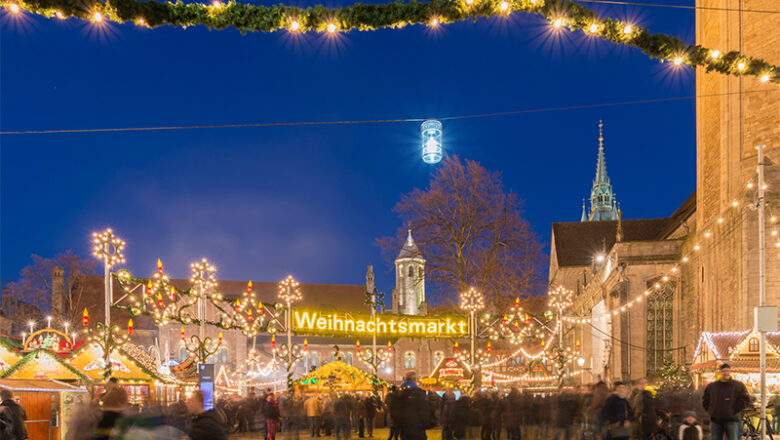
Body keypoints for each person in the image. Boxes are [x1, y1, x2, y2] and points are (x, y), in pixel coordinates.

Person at [702, 363, 752, 440]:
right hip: (716, 420)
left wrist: (735, 410)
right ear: (720, 372)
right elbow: (705, 399)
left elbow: (746, 399)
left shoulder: (738, 385)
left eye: (728, 371)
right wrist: (710, 411)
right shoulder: (712, 386)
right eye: (724, 371)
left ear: (730, 371)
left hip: (732, 420)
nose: (726, 373)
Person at [397, 372, 432, 440]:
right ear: (415, 380)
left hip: (404, 428)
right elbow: (424, 411)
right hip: (417, 428)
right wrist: (426, 424)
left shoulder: (399, 393)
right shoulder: (419, 393)